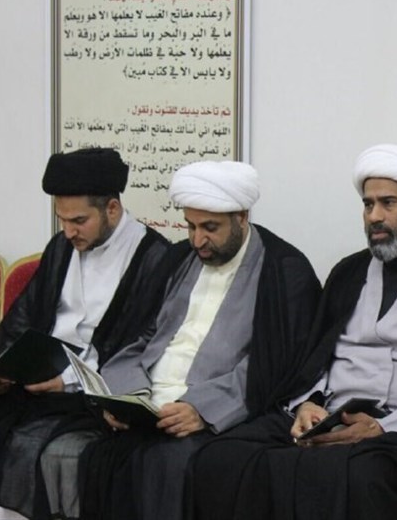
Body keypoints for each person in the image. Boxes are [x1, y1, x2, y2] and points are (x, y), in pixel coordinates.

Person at [185, 144, 397, 520]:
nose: (374, 216)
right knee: (220, 458)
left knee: (357, 475)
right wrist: (308, 404)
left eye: (388, 203)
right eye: (367, 204)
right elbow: (314, 359)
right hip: (328, 414)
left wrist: (382, 427)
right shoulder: (348, 273)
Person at [39, 160, 321, 520]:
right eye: (190, 226)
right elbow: (140, 337)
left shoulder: (284, 270)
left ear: (242, 217)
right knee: (87, 454)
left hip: (213, 413)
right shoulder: (179, 258)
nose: (197, 240)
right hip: (148, 406)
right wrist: (124, 396)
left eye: (210, 228)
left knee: (167, 467)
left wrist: (202, 410)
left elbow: (272, 365)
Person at [0, 147, 170, 519]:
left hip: (92, 397)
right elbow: (24, 316)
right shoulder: (62, 247)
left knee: (30, 450)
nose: (69, 231)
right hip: (33, 387)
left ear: (112, 209)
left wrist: (69, 381)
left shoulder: (155, 259)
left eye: (79, 220)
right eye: (62, 220)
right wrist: (1, 369)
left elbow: (142, 346)